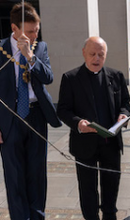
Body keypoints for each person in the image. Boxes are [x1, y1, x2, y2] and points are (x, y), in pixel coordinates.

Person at [57, 36, 130, 220]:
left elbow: (125, 103)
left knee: (111, 184)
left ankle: (109, 215)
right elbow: (63, 110)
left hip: (110, 142)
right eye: (92, 54)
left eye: (101, 54)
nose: (96, 58)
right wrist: (78, 123)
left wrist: (123, 114)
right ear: (84, 53)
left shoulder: (116, 76)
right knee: (88, 188)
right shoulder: (70, 78)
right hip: (84, 143)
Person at [0, 2, 61, 219]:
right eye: (29, 31)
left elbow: (48, 77)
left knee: (36, 175)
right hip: (9, 119)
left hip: (35, 116)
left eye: (36, 30)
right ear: (14, 29)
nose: (34, 35)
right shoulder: (0, 49)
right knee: (14, 176)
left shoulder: (40, 48)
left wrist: (30, 56)